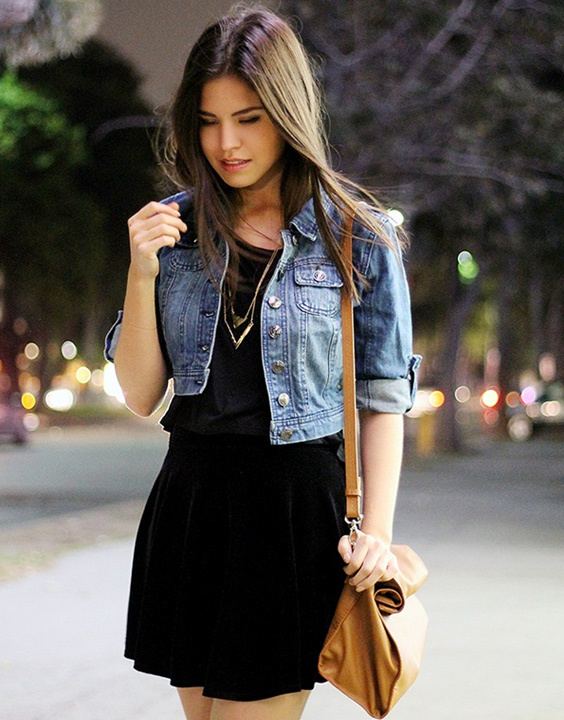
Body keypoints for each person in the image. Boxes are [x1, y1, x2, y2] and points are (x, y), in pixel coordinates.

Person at [104, 5, 419, 720]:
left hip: (290, 513)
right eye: (209, 121)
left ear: (286, 111)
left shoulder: (355, 239)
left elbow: (382, 398)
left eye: (248, 118)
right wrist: (142, 273)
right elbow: (139, 392)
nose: (226, 143)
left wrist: (378, 534)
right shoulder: (175, 233)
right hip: (191, 505)